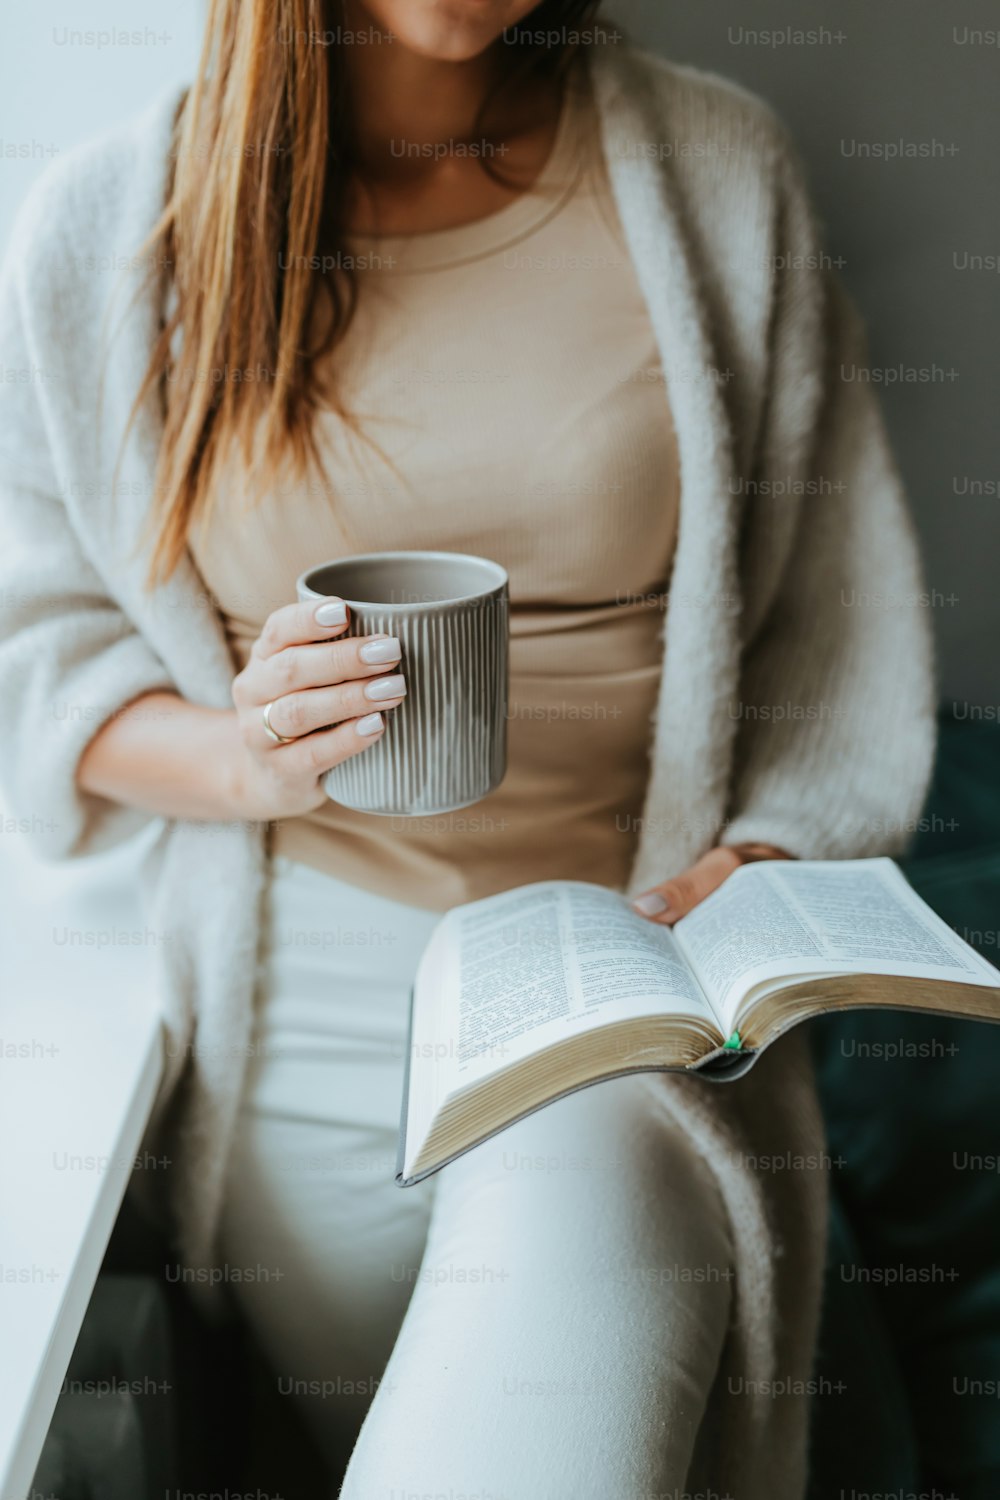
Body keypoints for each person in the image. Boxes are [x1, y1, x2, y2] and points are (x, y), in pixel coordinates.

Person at [0, 1, 935, 1495]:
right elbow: (34, 658)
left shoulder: (715, 172)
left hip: (619, 967)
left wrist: (756, 864)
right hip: (303, 1007)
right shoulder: (108, 225)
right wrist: (251, 758)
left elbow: (832, 643)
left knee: (575, 1295)